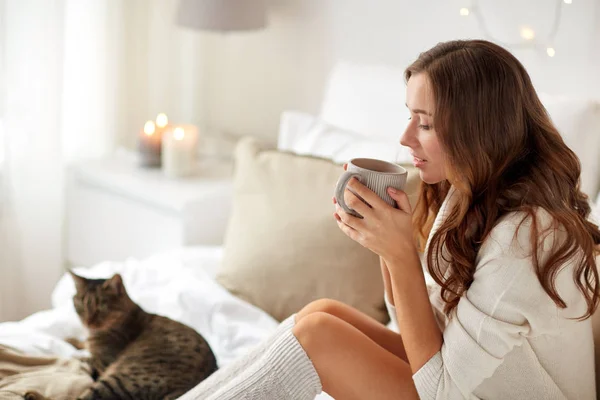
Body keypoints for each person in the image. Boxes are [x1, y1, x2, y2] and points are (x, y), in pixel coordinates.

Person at [180, 39, 600, 400]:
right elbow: (420, 337)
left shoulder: (524, 238)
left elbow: (439, 389)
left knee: (319, 339)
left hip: (457, 391)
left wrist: (400, 254)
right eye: (409, 116)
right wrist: (384, 247)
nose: (405, 138)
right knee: (321, 315)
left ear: (478, 132)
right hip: (466, 385)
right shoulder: (467, 195)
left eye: (426, 124)